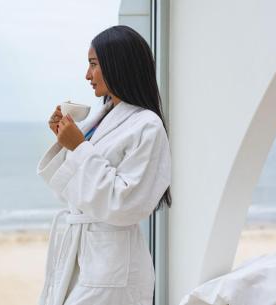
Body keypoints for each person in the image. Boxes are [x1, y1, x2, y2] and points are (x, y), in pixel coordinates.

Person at [36, 25, 172, 305]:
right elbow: (68, 191)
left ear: (117, 65)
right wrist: (66, 141)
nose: (87, 75)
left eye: (93, 65)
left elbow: (127, 202)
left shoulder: (147, 126)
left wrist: (78, 146)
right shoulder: (101, 119)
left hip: (113, 266)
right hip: (85, 255)